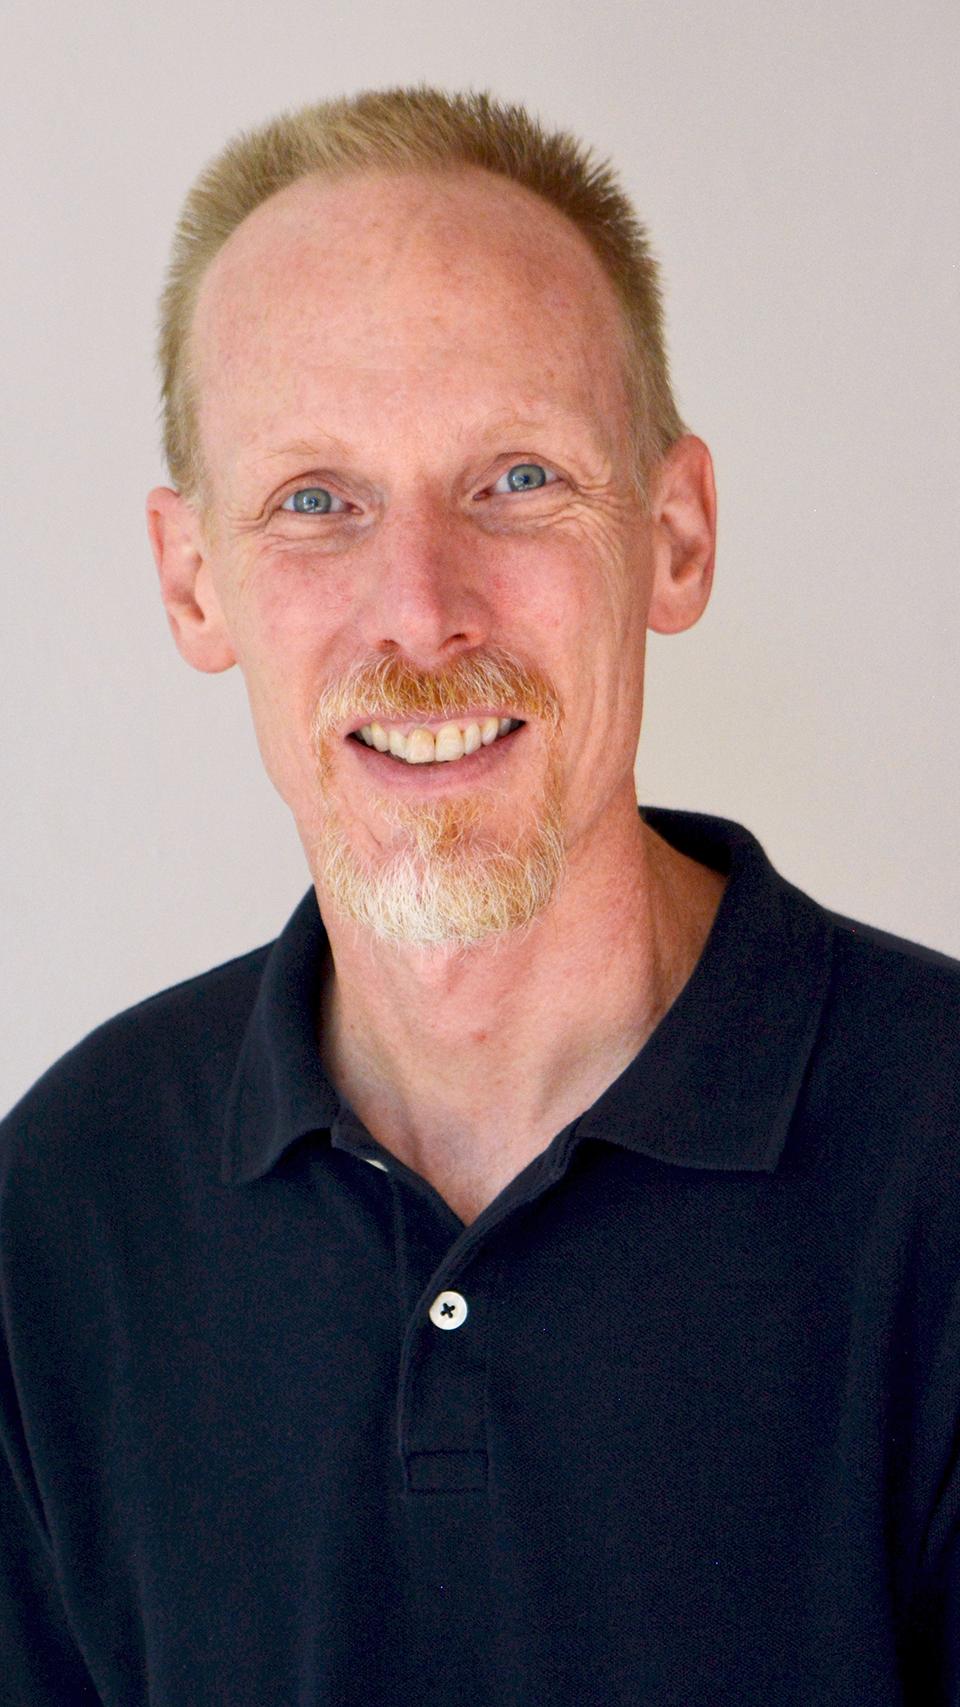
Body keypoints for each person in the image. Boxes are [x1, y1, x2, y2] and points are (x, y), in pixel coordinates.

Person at [1, 86, 958, 1707]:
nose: (422, 611)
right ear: (193, 577)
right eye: (317, 500)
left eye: (516, 478)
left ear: (673, 534)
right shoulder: (64, 1212)